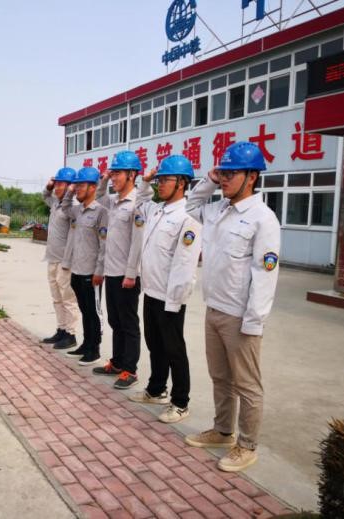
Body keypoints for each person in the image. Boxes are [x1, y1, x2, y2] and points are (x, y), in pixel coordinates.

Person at [184, 141, 281, 472]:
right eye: (222, 173)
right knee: (220, 377)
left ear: (252, 177)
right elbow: (191, 205)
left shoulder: (262, 219)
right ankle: (223, 431)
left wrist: (254, 321)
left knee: (247, 384)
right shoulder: (218, 210)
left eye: (231, 173)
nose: (224, 179)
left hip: (241, 317)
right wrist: (208, 180)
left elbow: (265, 275)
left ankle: (247, 445)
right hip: (214, 309)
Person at [128, 155, 202, 423]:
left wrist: (175, 300)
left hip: (170, 298)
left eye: (165, 179)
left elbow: (184, 265)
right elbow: (139, 201)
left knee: (174, 350)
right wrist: (145, 181)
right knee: (155, 345)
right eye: (158, 179)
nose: (160, 184)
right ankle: (156, 389)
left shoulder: (188, 217)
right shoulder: (157, 210)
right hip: (151, 292)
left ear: (181, 183)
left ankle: (180, 402)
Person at [91, 150, 151, 390]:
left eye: (118, 173)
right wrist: (105, 179)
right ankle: (117, 362)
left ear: (132, 175)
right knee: (115, 320)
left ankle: (130, 370)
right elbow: (98, 197)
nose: (114, 177)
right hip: (111, 271)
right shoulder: (114, 201)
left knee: (128, 324)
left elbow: (137, 242)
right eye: (113, 173)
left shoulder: (137, 203)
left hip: (127, 276)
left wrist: (131, 273)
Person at [60, 167, 107, 366]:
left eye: (81, 185)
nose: (77, 188)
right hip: (77, 271)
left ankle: (94, 350)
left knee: (93, 313)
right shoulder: (77, 210)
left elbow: (104, 245)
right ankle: (86, 344)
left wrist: (99, 271)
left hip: (91, 273)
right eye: (76, 185)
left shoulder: (101, 212)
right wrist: (69, 191)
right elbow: (64, 207)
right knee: (84, 310)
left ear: (93, 187)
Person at [41, 167, 79, 350]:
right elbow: (45, 197)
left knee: (68, 299)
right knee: (56, 298)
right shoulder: (56, 202)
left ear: (71, 186)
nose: (57, 187)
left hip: (65, 261)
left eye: (61, 184)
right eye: (56, 184)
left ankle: (71, 334)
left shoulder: (73, 207)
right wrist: (48, 187)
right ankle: (61, 329)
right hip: (52, 258)